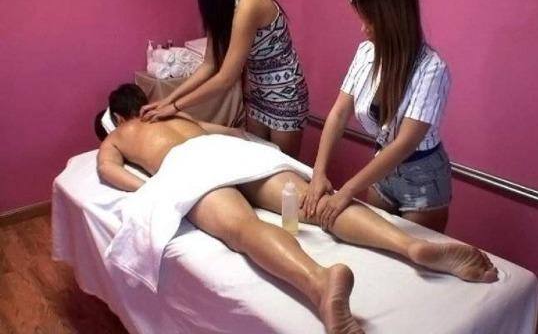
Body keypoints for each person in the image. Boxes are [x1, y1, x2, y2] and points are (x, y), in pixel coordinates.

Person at [98, 84, 497, 333]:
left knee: (243, 230)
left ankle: (320, 283)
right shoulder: (177, 115)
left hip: (187, 166)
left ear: (117, 118)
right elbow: (234, 133)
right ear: (144, 101)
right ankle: (411, 246)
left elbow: (107, 170)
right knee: (314, 203)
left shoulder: (118, 135)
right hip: (225, 150)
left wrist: (152, 185)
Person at [306, 0, 453, 232]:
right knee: (373, 243)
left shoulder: (432, 69)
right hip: (381, 168)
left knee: (409, 252)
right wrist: (319, 172)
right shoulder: (366, 52)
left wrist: (347, 190)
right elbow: (339, 113)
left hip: (422, 177)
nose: (364, 29)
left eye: (370, 21)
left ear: (392, 20)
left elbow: (405, 143)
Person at [140, 0, 309, 158]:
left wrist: (176, 107)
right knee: (257, 159)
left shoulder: (248, 4)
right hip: (257, 91)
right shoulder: (219, 6)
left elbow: (226, 77)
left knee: (283, 164)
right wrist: (167, 100)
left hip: (286, 92)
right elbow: (209, 65)